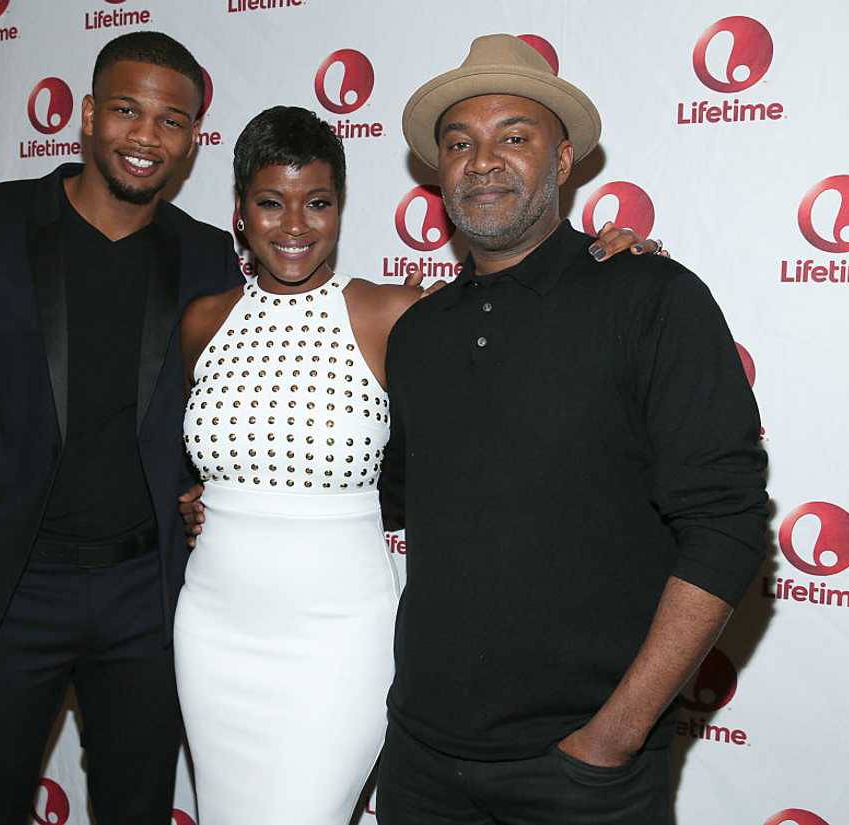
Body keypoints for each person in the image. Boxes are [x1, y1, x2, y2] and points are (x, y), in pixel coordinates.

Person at [172, 107, 661, 824]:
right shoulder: (202, 321)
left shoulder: (395, 313)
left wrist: (602, 262)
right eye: (270, 203)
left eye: (319, 203)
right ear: (240, 213)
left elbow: (521, 324)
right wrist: (206, 497)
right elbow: (230, 448)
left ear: (341, 207)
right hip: (213, 626)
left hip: (336, 636)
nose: (295, 226)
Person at [373, 35, 769, 825]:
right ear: (438, 171)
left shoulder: (650, 297)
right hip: (419, 760)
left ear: (561, 162)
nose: (482, 161)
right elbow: (387, 496)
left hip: (582, 771)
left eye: (513, 137)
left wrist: (615, 737)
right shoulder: (417, 334)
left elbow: (727, 524)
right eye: (460, 143)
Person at [0, 32, 244, 824]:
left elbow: (227, 413)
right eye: (128, 111)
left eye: (172, 121)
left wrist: (214, 487)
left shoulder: (207, 258)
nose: (146, 136)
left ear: (193, 139)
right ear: (89, 114)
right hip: (7, 592)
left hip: (147, 599)